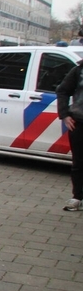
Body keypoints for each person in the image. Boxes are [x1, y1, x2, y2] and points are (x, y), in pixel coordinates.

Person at [56, 61, 83, 211]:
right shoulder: (79, 71)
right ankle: (77, 197)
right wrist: (64, 115)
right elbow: (62, 90)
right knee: (79, 163)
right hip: (79, 122)